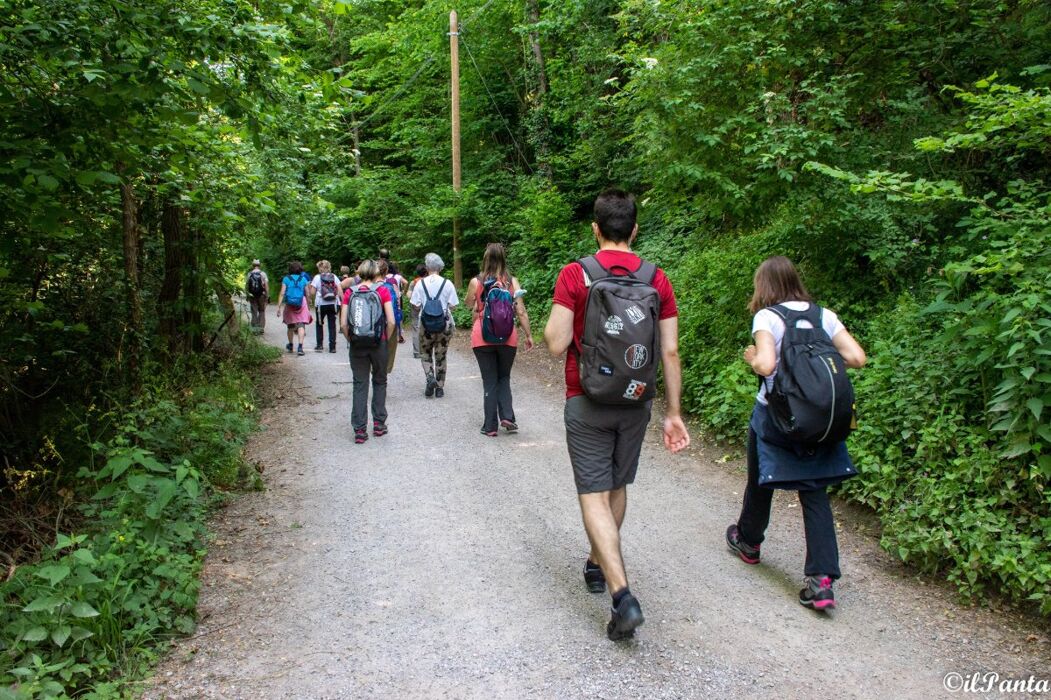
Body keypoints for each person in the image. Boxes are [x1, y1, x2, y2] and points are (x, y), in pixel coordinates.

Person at [544, 189, 690, 641]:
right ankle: (595, 561)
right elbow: (669, 350)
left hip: (586, 398)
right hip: (635, 399)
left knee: (593, 494)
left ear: (595, 228)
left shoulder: (576, 274)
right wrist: (674, 412)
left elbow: (554, 341)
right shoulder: (657, 279)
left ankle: (622, 595)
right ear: (635, 229)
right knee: (616, 485)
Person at [728, 256, 867, 610]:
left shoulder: (768, 316)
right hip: (819, 418)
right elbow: (857, 357)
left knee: (761, 477)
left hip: (777, 416)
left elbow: (766, 364)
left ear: (765, 286)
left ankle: (749, 540)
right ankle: (821, 581)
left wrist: (751, 358)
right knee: (814, 490)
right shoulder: (824, 315)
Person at [465, 243, 533, 436]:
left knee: (489, 380)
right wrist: (528, 335)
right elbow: (520, 310)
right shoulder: (512, 282)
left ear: (485, 258)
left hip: (482, 337)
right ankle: (508, 417)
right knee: (504, 377)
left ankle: (490, 426)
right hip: (507, 337)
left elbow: (469, 303)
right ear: (504, 258)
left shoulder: (476, 281)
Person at [341, 259, 397, 444]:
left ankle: (359, 429)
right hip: (378, 343)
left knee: (360, 384)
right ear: (375, 273)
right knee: (380, 381)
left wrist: (352, 339)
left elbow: (342, 324)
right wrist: (384, 340)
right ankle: (379, 424)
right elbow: (391, 321)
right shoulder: (382, 290)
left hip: (357, 344)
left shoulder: (350, 292)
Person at [410, 253, 458, 398]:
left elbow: (415, 305)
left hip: (425, 325)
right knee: (441, 355)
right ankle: (440, 387)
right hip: (443, 324)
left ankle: (430, 377)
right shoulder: (447, 283)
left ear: (427, 266)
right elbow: (454, 305)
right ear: (440, 267)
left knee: (425, 353)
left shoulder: (420, 283)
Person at [277, 261, 313, 356]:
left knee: (290, 325)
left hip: (290, 304)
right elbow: (307, 293)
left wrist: (279, 307)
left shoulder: (286, 279)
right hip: (302, 303)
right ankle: (300, 347)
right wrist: (309, 304)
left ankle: (291, 345)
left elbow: (282, 293)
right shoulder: (303, 279)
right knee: (301, 325)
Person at [310, 260, 341, 353]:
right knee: (332, 325)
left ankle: (319, 345)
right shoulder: (334, 277)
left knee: (319, 324)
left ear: (320, 268)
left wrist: (311, 299)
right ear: (329, 267)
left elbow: (312, 292)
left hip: (320, 304)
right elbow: (340, 291)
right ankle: (332, 347)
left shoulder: (317, 277)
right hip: (333, 303)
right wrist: (341, 302)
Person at [408, 264, 427, 359]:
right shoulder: (429, 281)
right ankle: (426, 349)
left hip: (415, 307)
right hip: (427, 307)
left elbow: (408, 295)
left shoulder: (413, 282)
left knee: (416, 328)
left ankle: (417, 352)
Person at [245, 259, 269, 333]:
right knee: (262, 311)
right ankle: (261, 329)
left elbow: (246, 285)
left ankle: (254, 330)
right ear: (259, 265)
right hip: (261, 295)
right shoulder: (263, 274)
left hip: (252, 295)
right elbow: (266, 286)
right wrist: (267, 296)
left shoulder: (249, 274)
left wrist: (247, 295)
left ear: (253, 265)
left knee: (254, 311)